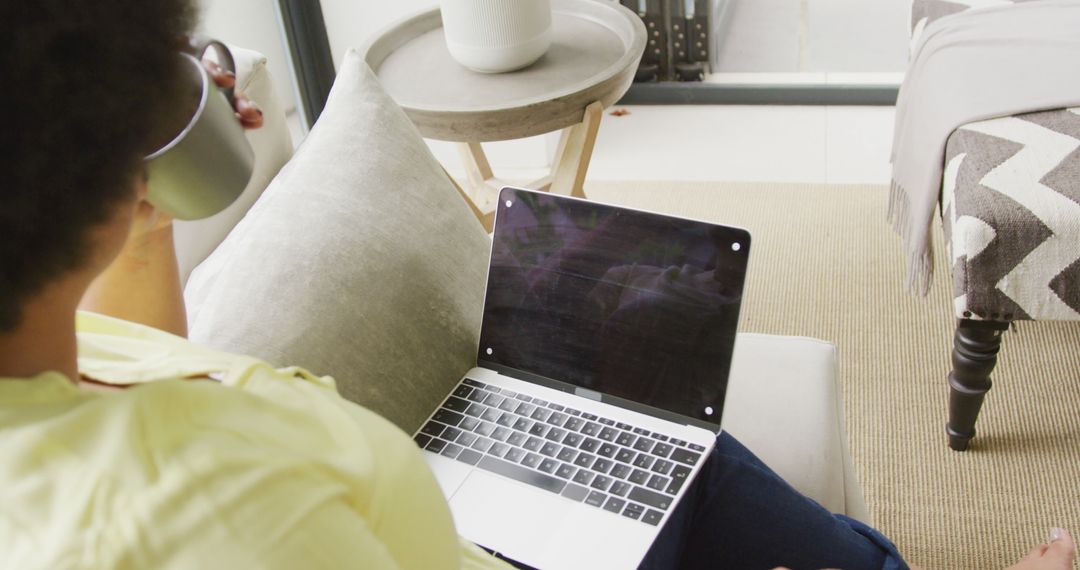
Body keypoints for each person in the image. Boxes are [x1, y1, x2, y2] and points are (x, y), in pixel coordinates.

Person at [0, 2, 1073, 569]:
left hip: (472, 496)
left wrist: (142, 220)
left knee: (667, 435)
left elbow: (115, 345)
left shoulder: (45, 367)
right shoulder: (223, 516)